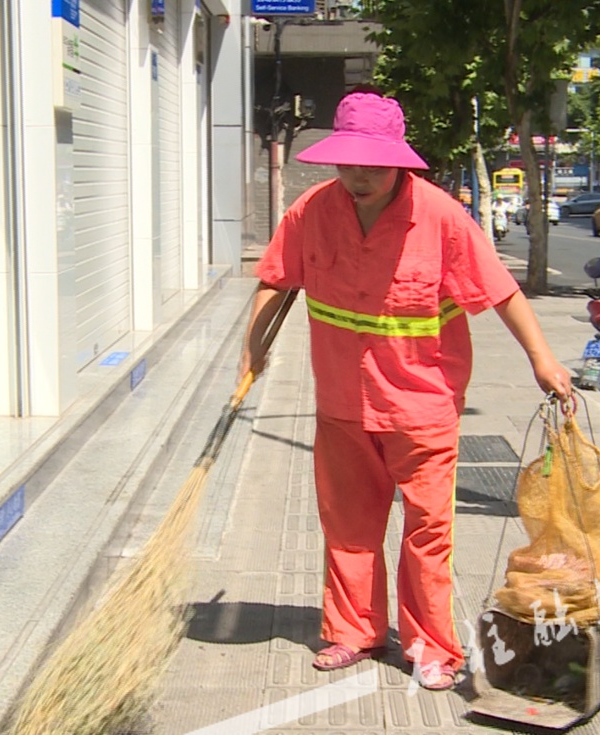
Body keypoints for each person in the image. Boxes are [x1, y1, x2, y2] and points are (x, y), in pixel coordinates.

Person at [239, 90, 572, 691]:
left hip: (422, 406)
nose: (358, 175)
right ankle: (352, 632)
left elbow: (501, 291)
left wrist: (541, 359)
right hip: (342, 401)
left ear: (399, 161)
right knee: (347, 525)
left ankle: (431, 645)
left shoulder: (441, 217)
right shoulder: (312, 210)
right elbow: (275, 277)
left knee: (427, 531)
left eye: (373, 163)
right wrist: (253, 342)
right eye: (348, 162)